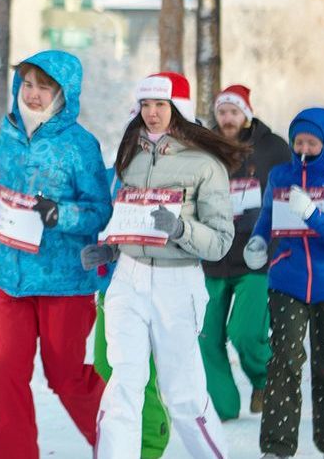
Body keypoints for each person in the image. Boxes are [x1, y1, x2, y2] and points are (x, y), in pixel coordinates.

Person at [84, 72, 242, 459]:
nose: (151, 114)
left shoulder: (206, 164)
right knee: (123, 387)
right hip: (128, 280)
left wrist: (180, 228)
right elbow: (126, 218)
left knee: (183, 393)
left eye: (160, 105)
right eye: (145, 105)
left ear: (179, 109)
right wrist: (110, 248)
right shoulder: (130, 155)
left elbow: (221, 241)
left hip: (177, 283)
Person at [0, 49, 112, 458]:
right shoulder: (10, 133)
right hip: (12, 278)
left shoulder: (81, 145)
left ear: (63, 93)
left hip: (63, 282)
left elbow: (99, 210)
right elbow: (5, 196)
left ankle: (119, 444)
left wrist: (60, 214)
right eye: (28, 84)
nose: (32, 94)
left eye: (44, 87)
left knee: (65, 376)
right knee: (9, 376)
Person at [243, 107, 324, 459]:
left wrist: (312, 214)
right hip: (288, 281)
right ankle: (277, 448)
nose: (304, 148)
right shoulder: (281, 176)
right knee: (284, 362)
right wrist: (259, 242)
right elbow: (267, 218)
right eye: (299, 141)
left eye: (312, 142)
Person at [201, 85, 290, 422]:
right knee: (206, 335)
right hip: (212, 257)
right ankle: (223, 406)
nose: (227, 119)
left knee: (245, 331)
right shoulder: (204, 144)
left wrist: (277, 243)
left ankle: (265, 382)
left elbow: (288, 194)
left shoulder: (272, 147)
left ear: (246, 114)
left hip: (256, 257)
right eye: (222, 112)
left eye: (233, 112)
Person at [88, 167, 171, 459]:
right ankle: (125, 441)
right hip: (111, 285)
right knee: (105, 364)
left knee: (137, 370)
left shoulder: (176, 173)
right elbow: (96, 217)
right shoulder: (109, 176)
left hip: (152, 287)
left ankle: (150, 441)